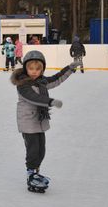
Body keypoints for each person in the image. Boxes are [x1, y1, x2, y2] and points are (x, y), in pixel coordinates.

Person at [10, 50, 81, 193]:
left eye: (38, 69)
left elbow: (56, 79)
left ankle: (36, 171)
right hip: (28, 121)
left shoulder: (42, 82)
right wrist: (50, 101)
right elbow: (32, 98)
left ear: (42, 69)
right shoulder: (23, 84)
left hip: (39, 121)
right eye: (31, 69)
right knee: (33, 149)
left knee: (41, 150)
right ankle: (31, 174)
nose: (34, 72)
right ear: (25, 68)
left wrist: (70, 68)